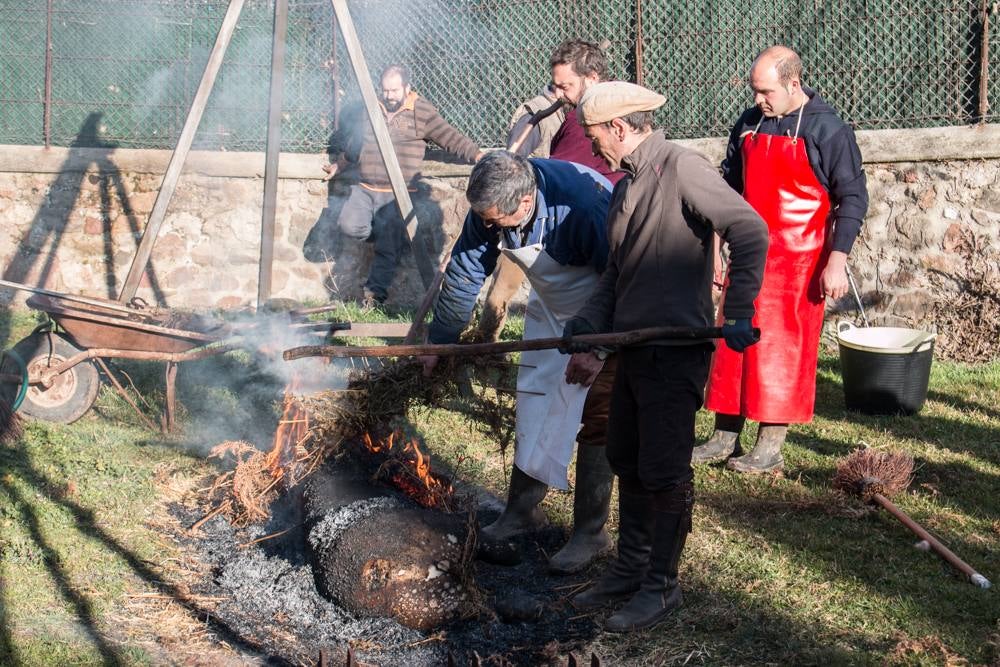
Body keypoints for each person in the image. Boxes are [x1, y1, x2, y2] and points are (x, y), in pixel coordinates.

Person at [562, 81, 769, 632]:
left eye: (593, 135)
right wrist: (587, 323)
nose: (591, 145)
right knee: (627, 456)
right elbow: (616, 273)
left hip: (674, 352)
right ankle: (630, 568)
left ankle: (661, 585)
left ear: (620, 128)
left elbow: (749, 229)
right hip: (630, 350)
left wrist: (740, 308)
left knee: (664, 470)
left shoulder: (682, 167)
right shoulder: (624, 187)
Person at [418, 151, 618, 574]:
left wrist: (597, 348)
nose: (487, 227)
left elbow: (622, 276)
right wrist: (441, 341)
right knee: (536, 398)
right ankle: (522, 512)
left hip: (606, 302)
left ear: (525, 203)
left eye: (494, 220)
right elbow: (465, 270)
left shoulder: (584, 207)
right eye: (484, 219)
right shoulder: (493, 204)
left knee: (596, 410)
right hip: (552, 304)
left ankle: (590, 532)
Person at [694, 45, 869, 473]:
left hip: (800, 264)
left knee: (781, 351)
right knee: (732, 342)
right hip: (750, 255)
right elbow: (727, 191)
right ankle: (724, 435)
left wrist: (837, 261)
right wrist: (714, 250)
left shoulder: (828, 130)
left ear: (794, 84)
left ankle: (769, 446)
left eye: (766, 91)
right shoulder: (750, 123)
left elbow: (852, 198)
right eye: (755, 91)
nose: (758, 100)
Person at [478, 39, 624, 343]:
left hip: (584, 223)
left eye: (565, 86)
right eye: (554, 85)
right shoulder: (568, 114)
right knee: (507, 296)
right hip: (531, 210)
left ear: (593, 79)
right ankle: (483, 345)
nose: (557, 94)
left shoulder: (613, 114)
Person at [322, 64, 483, 306]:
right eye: (385, 91)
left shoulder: (422, 111)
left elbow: (450, 138)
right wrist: (339, 166)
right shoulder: (372, 108)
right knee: (349, 225)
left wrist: (479, 157)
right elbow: (357, 144)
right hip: (365, 188)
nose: (389, 96)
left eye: (394, 91)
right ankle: (379, 230)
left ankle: (373, 297)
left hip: (399, 193)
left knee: (388, 248)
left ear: (407, 88)